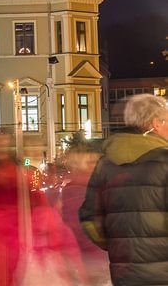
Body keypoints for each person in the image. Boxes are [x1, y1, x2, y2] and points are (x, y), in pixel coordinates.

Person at [80, 94, 168, 285]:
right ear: (155, 123)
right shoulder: (165, 161)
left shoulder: (106, 163)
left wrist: (117, 245)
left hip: (124, 272)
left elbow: (89, 218)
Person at [60, 144, 109, 285]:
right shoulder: (80, 188)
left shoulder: (73, 187)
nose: (95, 165)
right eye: (90, 162)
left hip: (89, 256)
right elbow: (78, 226)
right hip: (92, 256)